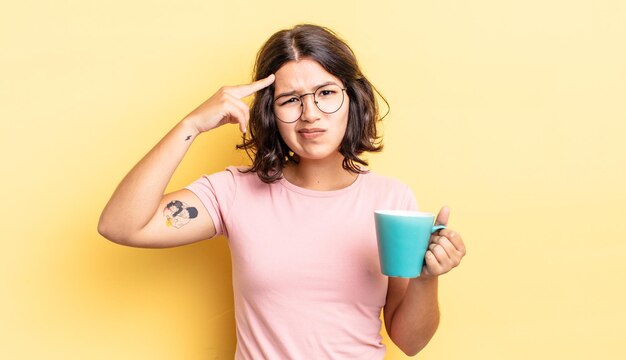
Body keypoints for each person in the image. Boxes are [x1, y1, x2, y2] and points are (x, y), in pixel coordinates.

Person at [98, 24, 466, 359]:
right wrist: (190, 124)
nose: (310, 114)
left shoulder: (391, 201)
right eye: (291, 99)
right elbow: (121, 225)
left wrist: (426, 277)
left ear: (351, 98)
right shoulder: (233, 191)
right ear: (271, 112)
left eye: (325, 93)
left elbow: (410, 341)